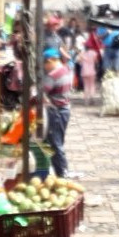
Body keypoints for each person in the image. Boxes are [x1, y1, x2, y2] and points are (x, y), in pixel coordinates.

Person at [41, 49, 74, 177]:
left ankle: (62, 173)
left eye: (45, 64)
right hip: (65, 109)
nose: (45, 67)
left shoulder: (53, 75)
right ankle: (59, 170)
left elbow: (42, 92)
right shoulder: (66, 70)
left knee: (55, 143)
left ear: (50, 61)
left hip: (56, 112)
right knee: (58, 141)